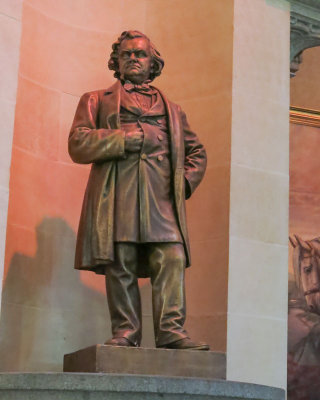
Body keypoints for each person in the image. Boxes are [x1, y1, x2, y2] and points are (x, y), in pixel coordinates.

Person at [68, 31, 208, 350]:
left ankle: (171, 330)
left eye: (140, 54)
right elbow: (77, 143)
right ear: (116, 62)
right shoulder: (95, 100)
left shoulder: (173, 109)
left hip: (161, 199)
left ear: (152, 62)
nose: (133, 58)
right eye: (127, 54)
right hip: (118, 194)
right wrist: (119, 140)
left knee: (171, 257)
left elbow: (196, 151)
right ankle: (126, 331)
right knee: (122, 260)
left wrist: (182, 183)